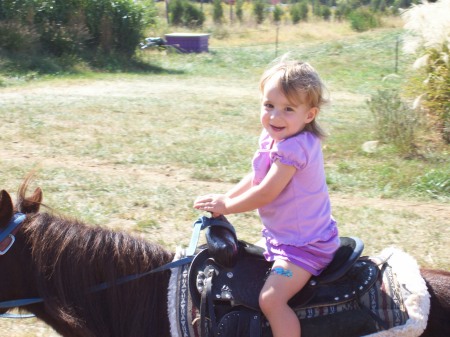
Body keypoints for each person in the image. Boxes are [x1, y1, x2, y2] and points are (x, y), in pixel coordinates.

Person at [193, 56, 339, 337]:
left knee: (271, 299)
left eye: (287, 109)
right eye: (268, 106)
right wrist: (225, 198)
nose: (274, 117)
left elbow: (266, 192)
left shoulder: (295, 149)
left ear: (309, 114)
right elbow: (256, 177)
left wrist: (229, 206)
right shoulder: (273, 138)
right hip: (282, 238)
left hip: (306, 246)